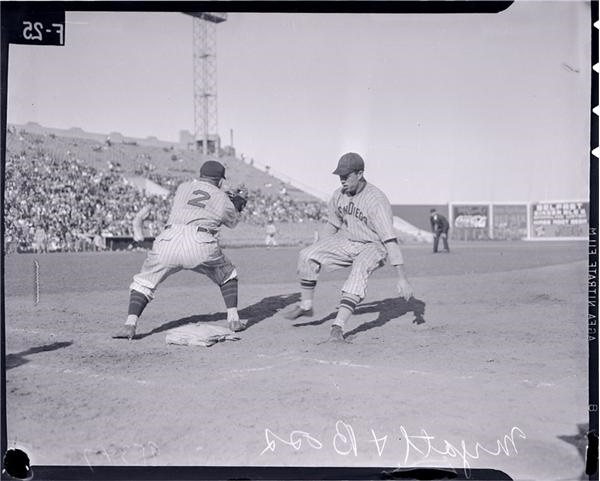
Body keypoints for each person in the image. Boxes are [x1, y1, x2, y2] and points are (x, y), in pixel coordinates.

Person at [285, 152, 414, 342]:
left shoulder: (376, 200)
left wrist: (402, 278)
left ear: (360, 173)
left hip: (373, 245)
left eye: (346, 176)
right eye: (340, 176)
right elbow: (332, 224)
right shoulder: (339, 195)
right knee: (307, 254)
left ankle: (337, 327)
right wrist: (321, 249)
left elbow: (389, 240)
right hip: (348, 240)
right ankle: (306, 306)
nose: (342, 180)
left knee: (359, 270)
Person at [112, 160, 248, 340]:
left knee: (144, 282)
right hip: (201, 242)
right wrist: (239, 202)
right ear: (220, 180)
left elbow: (202, 197)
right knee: (227, 275)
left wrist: (224, 194)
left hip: (169, 238)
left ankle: (129, 324)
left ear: (200, 175)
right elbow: (232, 222)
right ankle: (234, 319)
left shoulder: (183, 187)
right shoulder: (221, 197)